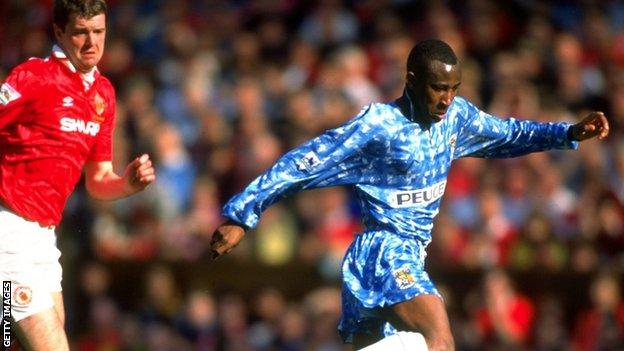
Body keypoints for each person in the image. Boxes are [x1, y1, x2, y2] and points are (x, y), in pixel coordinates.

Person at [210, 39, 609, 351]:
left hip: (407, 255)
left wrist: (567, 133)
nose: (447, 98)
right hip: (384, 251)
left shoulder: (456, 117)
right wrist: (243, 215)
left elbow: (507, 134)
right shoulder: (380, 124)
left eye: (454, 88)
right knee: (441, 339)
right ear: (413, 79)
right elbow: (307, 161)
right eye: (438, 88)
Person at [0, 1, 156, 350]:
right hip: (7, 229)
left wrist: (129, 184)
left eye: (98, 31)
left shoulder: (103, 95)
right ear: (59, 32)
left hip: (43, 239)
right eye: (81, 32)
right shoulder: (33, 77)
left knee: (16, 343)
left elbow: (98, 180)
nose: (91, 43)